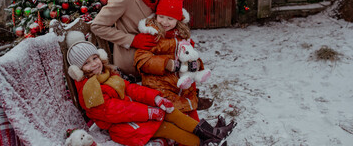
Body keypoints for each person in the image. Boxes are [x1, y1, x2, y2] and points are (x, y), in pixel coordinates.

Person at [65, 31, 235, 146]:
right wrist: (149, 112)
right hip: (125, 127)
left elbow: (131, 89)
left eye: (94, 58)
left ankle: (213, 133)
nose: (94, 64)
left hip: (136, 115)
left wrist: (156, 99)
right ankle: (207, 142)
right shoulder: (90, 91)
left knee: (171, 111)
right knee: (169, 128)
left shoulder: (107, 75)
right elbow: (118, 111)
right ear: (79, 70)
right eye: (86, 63)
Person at [134, 0, 212, 122]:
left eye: (170, 19)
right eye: (161, 17)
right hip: (158, 82)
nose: (164, 22)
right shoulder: (152, 34)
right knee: (176, 104)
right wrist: (166, 64)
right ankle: (195, 133)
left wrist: (197, 65)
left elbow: (191, 54)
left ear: (178, 20)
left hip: (179, 81)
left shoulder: (181, 35)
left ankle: (202, 130)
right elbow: (142, 60)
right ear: (156, 15)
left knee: (189, 97)